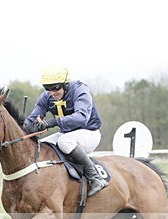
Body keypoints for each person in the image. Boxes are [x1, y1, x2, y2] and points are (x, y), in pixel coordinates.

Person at [23, 66, 107, 196]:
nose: (52, 92)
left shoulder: (80, 91)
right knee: (40, 146)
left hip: (89, 132)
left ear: (65, 84)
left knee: (64, 141)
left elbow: (81, 118)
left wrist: (52, 122)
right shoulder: (46, 97)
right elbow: (33, 118)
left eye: (56, 87)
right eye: (48, 88)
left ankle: (95, 177)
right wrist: (28, 126)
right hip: (67, 134)